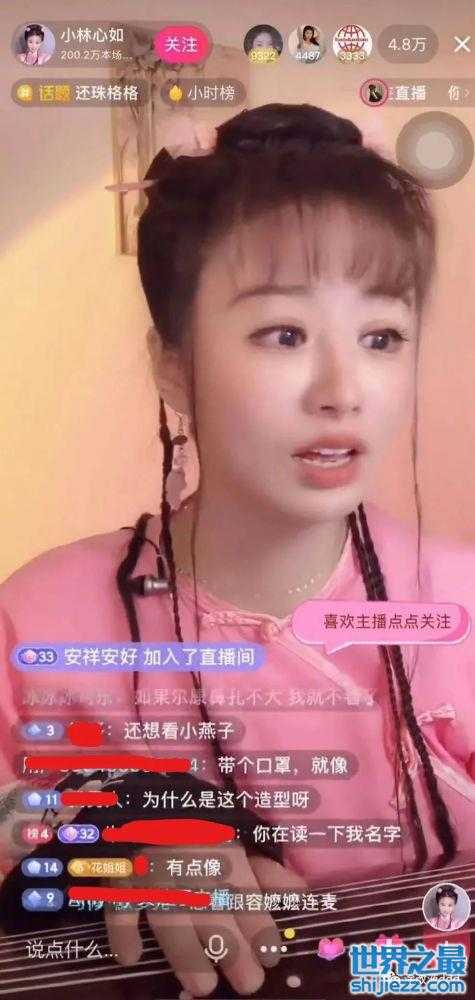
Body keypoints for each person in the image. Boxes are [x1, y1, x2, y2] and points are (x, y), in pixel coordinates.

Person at [1, 103, 475, 998]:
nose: (342, 391)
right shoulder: (40, 617)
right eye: (283, 335)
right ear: (174, 366)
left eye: (380, 337)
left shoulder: (459, 605)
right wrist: (106, 830)